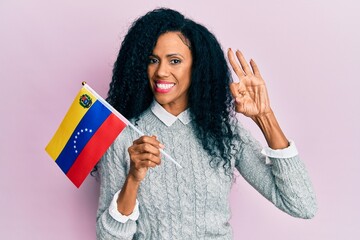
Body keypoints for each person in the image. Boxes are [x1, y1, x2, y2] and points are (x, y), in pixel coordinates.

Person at [96, 8, 317, 240]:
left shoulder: (224, 134)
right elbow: (109, 237)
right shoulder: (122, 136)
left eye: (175, 61)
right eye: (153, 60)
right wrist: (133, 178)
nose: (161, 71)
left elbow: (302, 205)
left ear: (196, 67)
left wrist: (265, 117)